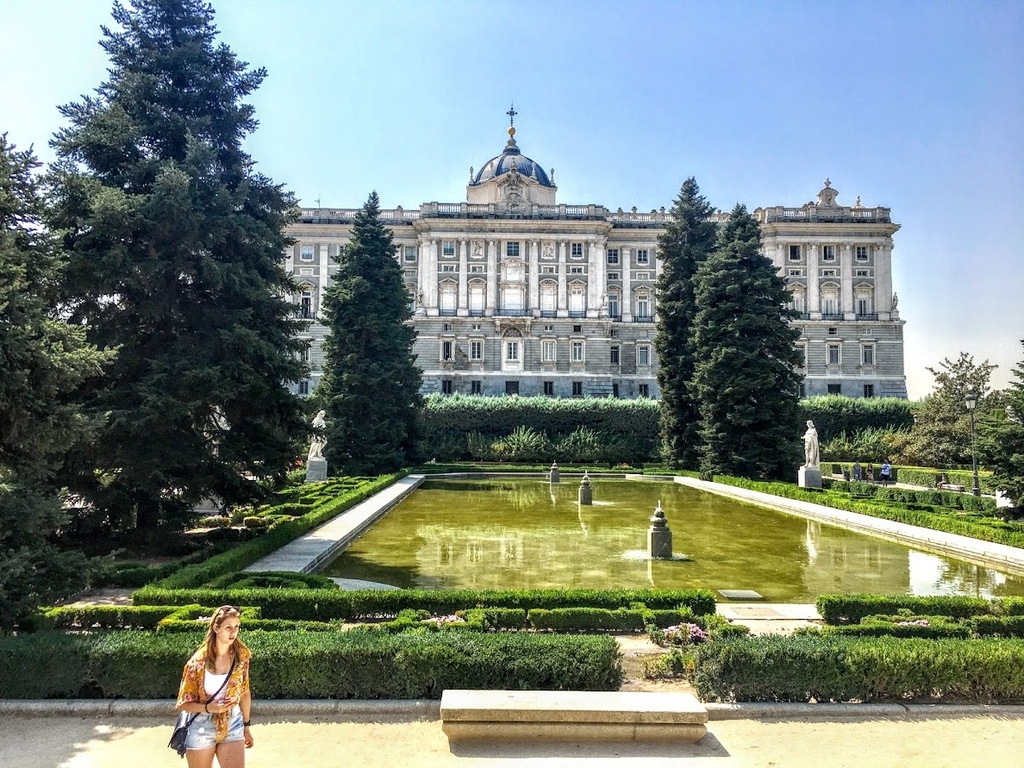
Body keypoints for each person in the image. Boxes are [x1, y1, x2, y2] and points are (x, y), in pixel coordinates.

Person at [176, 606, 253, 767]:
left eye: (236, 627)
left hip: (233, 722)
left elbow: (245, 691)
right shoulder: (197, 662)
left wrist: (246, 726)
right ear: (216, 628)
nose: (233, 632)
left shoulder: (242, 656)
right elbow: (183, 703)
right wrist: (210, 708)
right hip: (201, 725)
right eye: (228, 627)